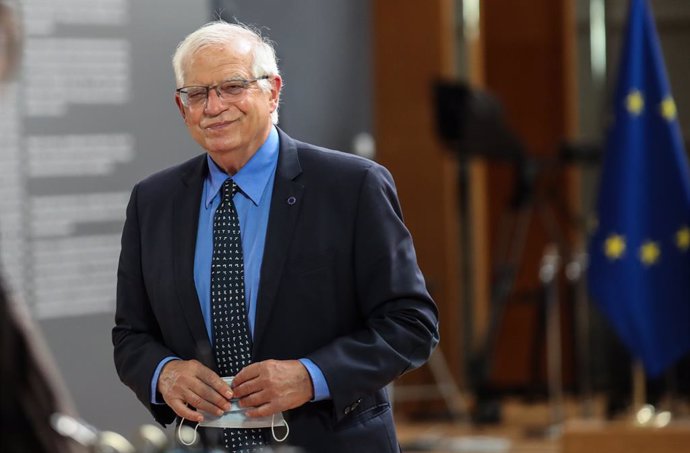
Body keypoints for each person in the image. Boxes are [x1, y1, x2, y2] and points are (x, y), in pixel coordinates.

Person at [112, 20, 439, 453]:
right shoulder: (153, 200)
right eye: (197, 94)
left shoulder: (351, 186)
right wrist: (164, 373)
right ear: (182, 107)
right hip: (206, 444)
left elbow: (411, 325)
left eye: (232, 86)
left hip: (331, 441)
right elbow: (131, 335)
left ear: (273, 91)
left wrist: (311, 375)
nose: (213, 106)